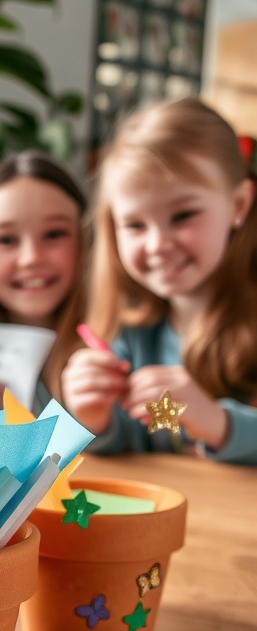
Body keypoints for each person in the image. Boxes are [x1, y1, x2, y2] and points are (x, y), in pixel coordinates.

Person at [62, 98, 257, 463]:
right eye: (135, 225)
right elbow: (126, 446)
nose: (157, 245)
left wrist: (219, 423)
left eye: (183, 215)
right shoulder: (132, 336)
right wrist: (94, 420)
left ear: (239, 205)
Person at [0, 150, 87, 413]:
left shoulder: (121, 347)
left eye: (54, 234)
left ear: (86, 241)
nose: (31, 258)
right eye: (6, 240)